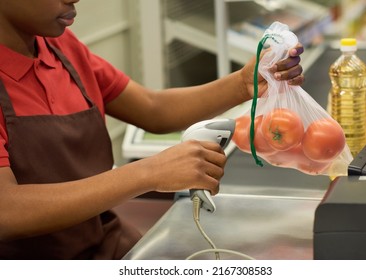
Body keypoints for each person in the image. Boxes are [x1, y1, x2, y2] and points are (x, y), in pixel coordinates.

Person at [0, 0, 305, 259]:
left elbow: (152, 108)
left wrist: (242, 83)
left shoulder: (60, 46)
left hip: (105, 246)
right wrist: (149, 173)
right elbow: (7, 212)